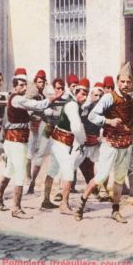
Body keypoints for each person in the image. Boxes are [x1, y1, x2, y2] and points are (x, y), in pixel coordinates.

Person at [0, 68, 61, 219]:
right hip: (17, 141)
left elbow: (24, 114)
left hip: (14, 140)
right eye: (21, 85)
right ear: (15, 86)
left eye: (25, 85)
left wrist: (31, 118)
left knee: (9, 170)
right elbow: (37, 106)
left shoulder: (18, 99)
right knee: (20, 174)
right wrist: (52, 99)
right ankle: (16, 208)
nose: (24, 88)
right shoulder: (17, 99)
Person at [76, 63, 133, 223]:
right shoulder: (109, 97)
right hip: (110, 143)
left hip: (125, 144)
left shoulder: (130, 100)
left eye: (128, 82)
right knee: (101, 176)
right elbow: (92, 116)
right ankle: (81, 204)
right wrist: (108, 121)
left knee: (119, 179)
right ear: (117, 82)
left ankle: (115, 211)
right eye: (122, 81)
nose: (126, 84)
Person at [41, 78, 89, 213]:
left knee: (52, 170)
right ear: (75, 92)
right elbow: (76, 128)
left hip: (57, 140)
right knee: (68, 172)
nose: (84, 97)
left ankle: (46, 200)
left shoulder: (74, 104)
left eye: (86, 94)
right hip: (61, 142)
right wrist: (82, 141)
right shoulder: (72, 105)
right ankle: (64, 205)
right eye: (82, 93)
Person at [27, 77, 66, 194]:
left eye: (62, 88)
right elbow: (45, 112)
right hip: (49, 127)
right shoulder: (49, 98)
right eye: (57, 88)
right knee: (41, 153)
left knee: (61, 155)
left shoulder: (66, 100)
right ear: (53, 88)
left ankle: (59, 185)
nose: (60, 90)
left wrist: (55, 113)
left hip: (59, 129)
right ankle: (32, 182)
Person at [26, 69, 48, 178]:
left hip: (38, 124)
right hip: (31, 124)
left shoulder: (41, 95)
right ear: (35, 82)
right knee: (30, 150)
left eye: (43, 82)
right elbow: (27, 107)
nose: (42, 84)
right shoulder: (33, 93)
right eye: (39, 82)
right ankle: (27, 176)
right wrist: (32, 117)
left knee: (34, 149)